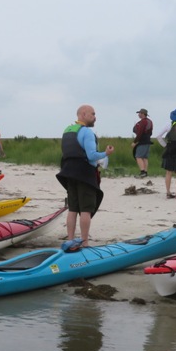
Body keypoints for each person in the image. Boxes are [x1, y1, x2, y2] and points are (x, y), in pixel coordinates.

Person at [55, 104, 114, 251]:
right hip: (84, 174)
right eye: (92, 114)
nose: (95, 117)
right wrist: (106, 154)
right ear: (83, 114)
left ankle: (70, 241)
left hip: (69, 173)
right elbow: (91, 156)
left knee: (73, 209)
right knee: (86, 210)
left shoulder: (67, 130)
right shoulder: (87, 132)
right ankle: (85, 242)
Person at [131, 108, 153, 178]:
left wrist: (135, 142)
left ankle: (142, 172)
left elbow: (140, 133)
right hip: (148, 140)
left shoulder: (143, 122)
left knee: (138, 156)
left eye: (139, 113)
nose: (138, 114)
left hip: (142, 141)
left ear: (143, 114)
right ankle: (145, 172)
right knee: (145, 157)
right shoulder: (150, 121)